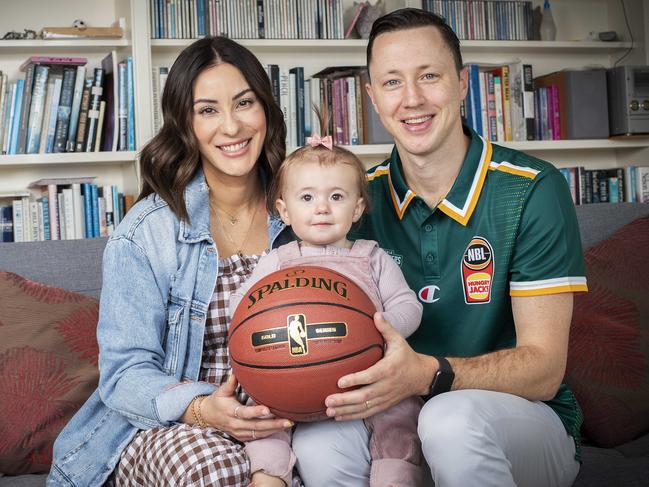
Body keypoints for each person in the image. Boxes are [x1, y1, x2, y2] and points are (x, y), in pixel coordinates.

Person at [292, 8, 588, 487]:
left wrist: (426, 374)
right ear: (371, 96)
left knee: (448, 420)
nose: (412, 99)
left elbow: (544, 369)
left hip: (521, 421)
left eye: (428, 76)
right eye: (391, 82)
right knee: (315, 442)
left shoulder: (532, 189)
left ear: (461, 82)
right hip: (395, 419)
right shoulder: (353, 202)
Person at [48, 36, 295, 487]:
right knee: (217, 468)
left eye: (244, 103)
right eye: (207, 110)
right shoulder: (145, 234)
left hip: (284, 414)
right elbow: (125, 375)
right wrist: (202, 407)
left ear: (266, 109)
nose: (232, 126)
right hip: (173, 426)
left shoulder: (305, 211)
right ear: (184, 122)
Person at [228, 126, 427, 487]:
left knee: (398, 416)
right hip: (290, 376)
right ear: (284, 211)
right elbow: (240, 305)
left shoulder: (372, 258)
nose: (321, 208)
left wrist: (379, 327)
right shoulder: (277, 261)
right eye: (306, 198)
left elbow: (408, 306)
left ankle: (396, 475)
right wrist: (248, 326)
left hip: (369, 377)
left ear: (358, 208)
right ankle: (269, 475)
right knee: (264, 414)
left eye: (336, 196)